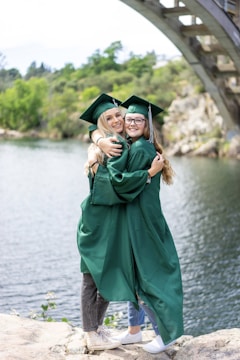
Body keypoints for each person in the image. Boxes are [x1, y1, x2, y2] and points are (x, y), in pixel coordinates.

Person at [90, 95, 184, 353]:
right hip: (137, 216)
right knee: (134, 272)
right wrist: (96, 139)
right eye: (128, 118)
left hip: (141, 220)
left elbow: (120, 182)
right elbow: (93, 128)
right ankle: (134, 330)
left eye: (138, 120)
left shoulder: (141, 148)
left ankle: (166, 334)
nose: (131, 123)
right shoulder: (136, 145)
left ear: (147, 124)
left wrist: (148, 174)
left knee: (147, 276)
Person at [77, 94, 163, 352]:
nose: (117, 120)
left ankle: (95, 326)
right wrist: (148, 174)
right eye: (109, 117)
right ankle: (91, 332)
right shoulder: (114, 144)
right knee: (92, 276)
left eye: (119, 115)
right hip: (100, 219)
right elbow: (116, 185)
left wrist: (97, 139)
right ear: (102, 121)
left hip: (108, 219)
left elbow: (93, 129)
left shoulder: (111, 140)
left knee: (105, 273)